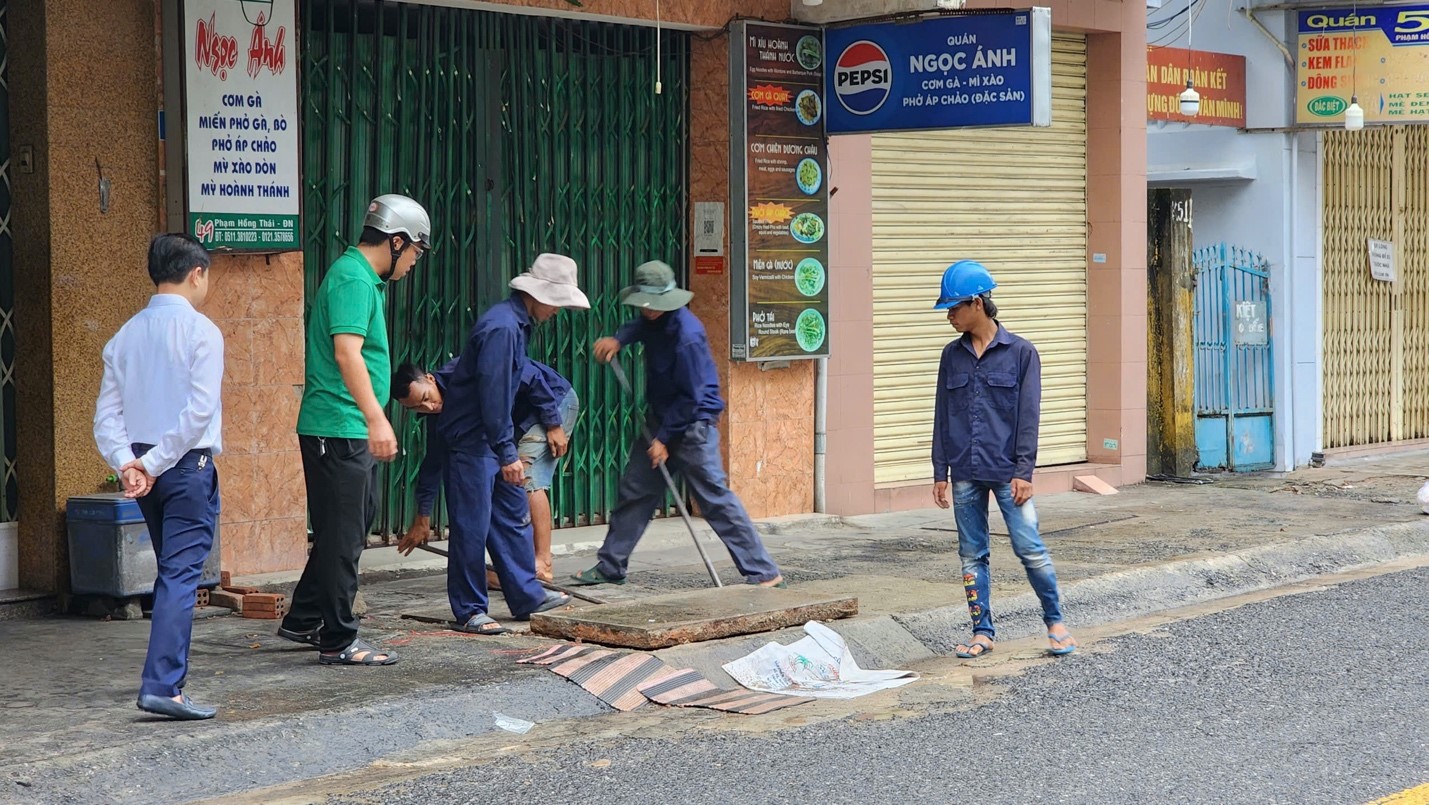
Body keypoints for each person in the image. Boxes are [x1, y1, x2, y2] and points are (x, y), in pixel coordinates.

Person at [280, 194, 431, 666]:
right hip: (339, 425)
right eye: (415, 251)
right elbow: (347, 353)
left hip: (346, 426)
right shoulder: (352, 279)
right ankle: (339, 639)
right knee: (343, 537)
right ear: (397, 241)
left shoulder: (363, 279)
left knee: (348, 525)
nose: (414, 262)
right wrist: (375, 417)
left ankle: (304, 616)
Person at [570, 260, 784, 589]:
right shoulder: (652, 318)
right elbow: (641, 327)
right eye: (644, 304)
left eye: (654, 304)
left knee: (714, 498)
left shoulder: (687, 336)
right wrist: (619, 339)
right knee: (635, 491)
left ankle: (764, 572)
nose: (648, 310)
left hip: (693, 424)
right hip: (662, 418)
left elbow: (690, 398)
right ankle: (611, 566)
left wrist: (663, 439)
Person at [402, 254, 586, 634]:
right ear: (539, 294)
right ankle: (470, 609)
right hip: (473, 444)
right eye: (557, 302)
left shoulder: (515, 325)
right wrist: (506, 452)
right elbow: (495, 394)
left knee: (511, 518)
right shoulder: (502, 328)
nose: (557, 310)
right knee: (471, 528)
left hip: (490, 441)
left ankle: (527, 596)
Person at [93, 233, 224, 720]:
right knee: (180, 576)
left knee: (172, 573)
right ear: (196, 273)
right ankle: (163, 686)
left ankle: (165, 683)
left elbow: (106, 418)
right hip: (185, 466)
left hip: (145, 468)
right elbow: (198, 412)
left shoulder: (125, 335)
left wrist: (128, 463)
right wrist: (150, 464)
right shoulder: (202, 332)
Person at [929, 260, 1076, 658]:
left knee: (1029, 548)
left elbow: (1029, 416)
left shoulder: (1021, 353)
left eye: (954, 308)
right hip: (964, 471)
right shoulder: (951, 356)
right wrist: (940, 470)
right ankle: (982, 632)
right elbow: (942, 415)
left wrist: (1024, 471)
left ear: (977, 304)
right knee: (971, 555)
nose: (949, 316)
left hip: (1009, 474)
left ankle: (1056, 623)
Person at [393, 355, 579, 586]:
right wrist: (422, 517)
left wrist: (553, 423)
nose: (429, 407)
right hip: (520, 419)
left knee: (525, 477)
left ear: (430, 379)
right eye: (417, 408)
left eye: (426, 398)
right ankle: (516, 566)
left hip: (552, 400)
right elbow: (433, 462)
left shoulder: (467, 370)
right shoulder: (438, 415)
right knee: (502, 481)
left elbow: (532, 378)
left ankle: (542, 564)